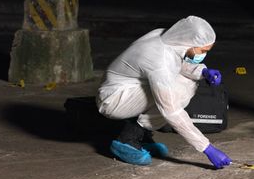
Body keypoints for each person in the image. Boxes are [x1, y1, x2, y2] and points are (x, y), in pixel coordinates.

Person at [96, 16, 233, 169]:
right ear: (190, 43)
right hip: (113, 99)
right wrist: (207, 148)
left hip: (127, 86)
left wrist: (203, 71)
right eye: (203, 50)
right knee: (174, 95)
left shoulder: (165, 37)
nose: (204, 54)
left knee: (185, 83)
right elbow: (171, 110)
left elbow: (175, 63)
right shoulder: (158, 60)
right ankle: (127, 139)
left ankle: (142, 134)